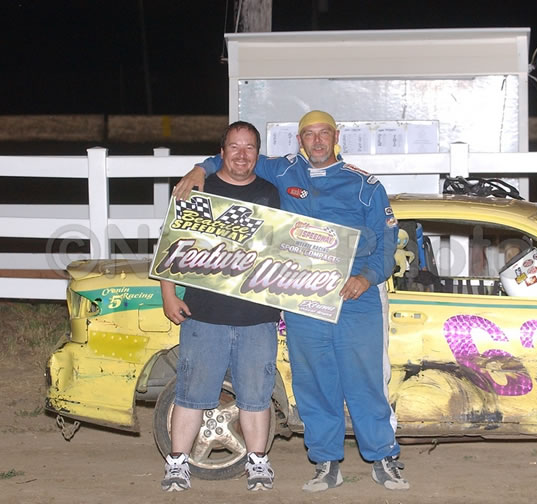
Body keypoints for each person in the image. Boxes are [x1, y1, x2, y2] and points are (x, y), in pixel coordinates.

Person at [173, 110, 408, 492]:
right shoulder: (283, 170)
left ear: (335, 136)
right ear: (299, 140)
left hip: (357, 297)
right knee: (313, 381)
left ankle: (384, 457)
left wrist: (366, 278)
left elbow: (386, 243)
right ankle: (326, 462)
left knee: (365, 380)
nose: (317, 141)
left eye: (323, 133)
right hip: (304, 297)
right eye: (308, 134)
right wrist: (200, 169)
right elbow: (237, 156)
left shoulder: (365, 185)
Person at [159, 121, 281, 492]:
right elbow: (173, 242)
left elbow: (284, 250)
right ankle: (177, 463)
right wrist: (168, 293)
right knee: (191, 392)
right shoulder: (199, 189)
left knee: (256, 395)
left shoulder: (270, 194)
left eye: (249, 148)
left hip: (257, 316)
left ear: (257, 154)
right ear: (222, 151)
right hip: (204, 314)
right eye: (234, 147)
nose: (242, 155)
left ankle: (257, 463)